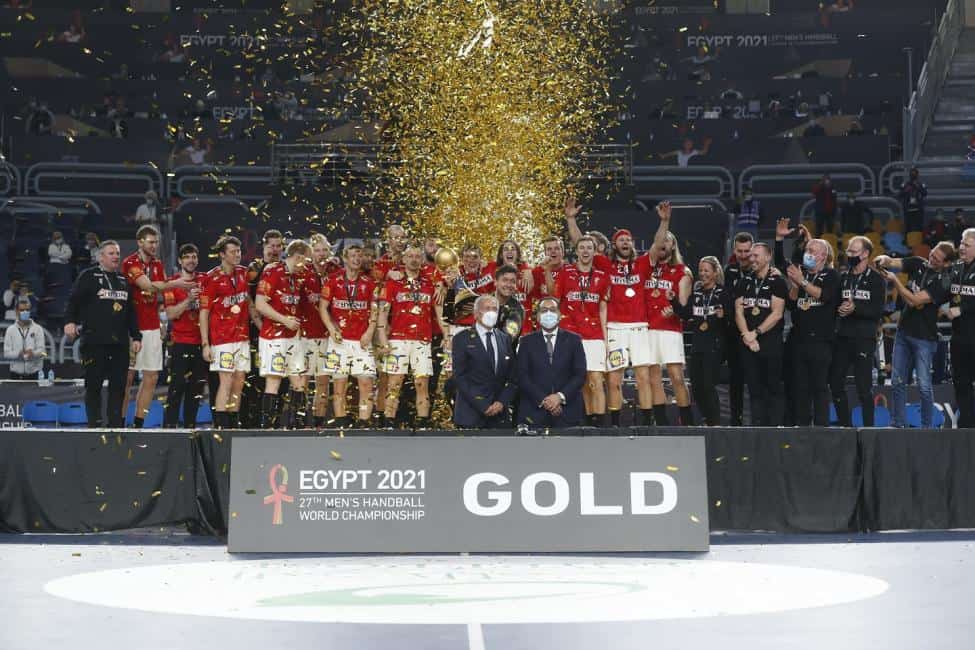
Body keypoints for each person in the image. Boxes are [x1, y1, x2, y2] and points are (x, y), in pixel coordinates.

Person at [565, 195, 652, 426]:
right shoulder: (605, 265)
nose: (625, 243)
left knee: (644, 377)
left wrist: (664, 222)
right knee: (613, 380)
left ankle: (648, 423)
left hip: (639, 328)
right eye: (621, 240)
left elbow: (657, 245)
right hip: (614, 329)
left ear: (632, 243)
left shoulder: (641, 263)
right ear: (614, 245)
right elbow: (582, 244)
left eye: (628, 240)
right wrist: (571, 220)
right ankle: (613, 424)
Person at [121, 225, 197, 428]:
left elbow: (159, 293)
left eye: (156, 242)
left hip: (152, 326)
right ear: (140, 242)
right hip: (131, 327)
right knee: (127, 377)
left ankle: (138, 424)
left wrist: (161, 321)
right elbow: (148, 286)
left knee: (152, 377)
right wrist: (177, 283)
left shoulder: (157, 264)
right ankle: (119, 423)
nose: (154, 246)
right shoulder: (130, 262)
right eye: (150, 242)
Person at [876, 242, 955, 428]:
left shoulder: (944, 282)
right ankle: (898, 423)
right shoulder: (918, 263)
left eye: (937, 259)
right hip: (903, 332)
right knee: (897, 381)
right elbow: (894, 262)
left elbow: (914, 300)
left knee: (924, 386)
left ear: (946, 263)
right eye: (932, 254)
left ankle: (927, 427)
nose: (932, 259)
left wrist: (895, 280)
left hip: (924, 338)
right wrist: (883, 260)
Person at [65, 240, 142, 428]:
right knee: (94, 385)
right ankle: (94, 425)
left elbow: (131, 312)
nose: (116, 256)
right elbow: (73, 301)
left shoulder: (123, 280)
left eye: (117, 253)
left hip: (119, 344)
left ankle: (115, 426)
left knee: (119, 387)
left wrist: (136, 336)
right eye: (111, 253)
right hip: (94, 342)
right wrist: (69, 322)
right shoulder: (88, 276)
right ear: (101, 257)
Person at [376, 244, 448, 428]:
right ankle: (389, 421)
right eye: (410, 256)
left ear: (422, 260)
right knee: (394, 382)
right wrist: (383, 340)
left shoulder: (430, 284)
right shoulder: (392, 283)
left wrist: (447, 335)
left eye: (417, 256)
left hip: (422, 340)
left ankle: (423, 421)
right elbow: (382, 314)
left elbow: (440, 314)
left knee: (422, 382)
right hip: (397, 340)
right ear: (404, 259)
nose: (414, 259)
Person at [645, 202, 694, 426]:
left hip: (670, 329)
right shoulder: (647, 268)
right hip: (648, 329)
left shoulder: (682, 272)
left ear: (673, 246)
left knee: (676, 376)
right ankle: (661, 423)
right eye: (660, 240)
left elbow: (683, 308)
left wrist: (673, 308)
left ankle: (687, 422)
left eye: (668, 241)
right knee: (654, 378)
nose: (663, 244)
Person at [553, 236, 610, 426]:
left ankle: (600, 423)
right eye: (582, 247)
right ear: (576, 251)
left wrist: (606, 340)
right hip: (570, 333)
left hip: (594, 335)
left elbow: (603, 309)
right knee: (582, 381)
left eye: (589, 248)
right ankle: (588, 421)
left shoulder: (602, 276)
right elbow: (556, 302)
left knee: (596, 380)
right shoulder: (565, 272)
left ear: (594, 251)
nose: (585, 251)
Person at [319, 244, 379, 428]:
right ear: (345, 258)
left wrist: (370, 332)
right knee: (339, 385)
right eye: (353, 256)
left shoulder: (369, 282)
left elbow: (375, 310)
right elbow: (322, 307)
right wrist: (331, 329)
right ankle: (340, 421)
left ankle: (364, 421)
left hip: (362, 340)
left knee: (366, 383)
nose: (357, 259)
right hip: (339, 341)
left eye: (359, 256)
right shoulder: (333, 280)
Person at [254, 240, 311, 429]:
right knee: (274, 381)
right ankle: (267, 425)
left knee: (298, 380)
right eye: (306, 261)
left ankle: (298, 423)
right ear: (298, 257)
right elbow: (260, 304)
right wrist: (284, 320)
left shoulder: (297, 277)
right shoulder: (273, 272)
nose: (306, 265)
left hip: (293, 337)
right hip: (274, 337)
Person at [784, 234, 840, 426]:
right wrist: (794, 285)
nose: (807, 254)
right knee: (801, 387)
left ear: (823, 256)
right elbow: (791, 304)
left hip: (821, 340)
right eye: (807, 250)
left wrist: (802, 282)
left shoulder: (831, 275)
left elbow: (824, 296)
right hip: (799, 339)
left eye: (812, 251)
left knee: (819, 386)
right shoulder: (803, 275)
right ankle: (802, 426)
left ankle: (821, 427)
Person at [200, 236, 255, 429]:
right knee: (226, 380)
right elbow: (204, 313)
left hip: (242, 337)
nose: (237, 255)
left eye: (239, 251)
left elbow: (249, 300)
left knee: (239, 380)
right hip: (222, 339)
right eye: (233, 252)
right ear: (222, 255)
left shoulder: (243, 273)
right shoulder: (211, 278)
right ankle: (221, 425)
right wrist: (205, 344)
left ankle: (233, 422)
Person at [829, 236, 885, 427]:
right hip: (843, 337)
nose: (849, 254)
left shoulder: (877, 279)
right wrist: (839, 308)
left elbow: (877, 311)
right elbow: (835, 303)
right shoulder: (844, 277)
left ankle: (868, 429)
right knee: (836, 383)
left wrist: (855, 309)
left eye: (853, 252)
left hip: (864, 338)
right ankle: (845, 426)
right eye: (849, 251)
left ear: (866, 254)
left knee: (864, 388)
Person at [672, 257, 733, 426]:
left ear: (715, 273)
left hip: (714, 345)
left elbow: (731, 318)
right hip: (697, 345)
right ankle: (707, 419)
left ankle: (715, 423)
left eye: (706, 270)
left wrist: (724, 316)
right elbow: (686, 314)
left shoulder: (723, 293)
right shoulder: (697, 293)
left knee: (708, 385)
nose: (703, 274)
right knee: (697, 386)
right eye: (701, 270)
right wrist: (673, 301)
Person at [735, 242, 788, 426]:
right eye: (751, 255)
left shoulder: (777, 282)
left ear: (768, 257)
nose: (752, 259)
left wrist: (756, 333)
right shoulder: (744, 281)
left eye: (756, 255)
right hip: (748, 343)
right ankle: (757, 428)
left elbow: (777, 313)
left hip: (770, 342)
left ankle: (775, 428)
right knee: (754, 388)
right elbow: (738, 312)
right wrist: (747, 335)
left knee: (773, 387)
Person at [516, 297, 586, 428]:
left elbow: (580, 375)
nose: (548, 313)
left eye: (553, 310)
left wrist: (559, 397)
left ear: (559, 315)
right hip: (534, 413)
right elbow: (522, 376)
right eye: (544, 310)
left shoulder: (574, 340)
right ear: (537, 317)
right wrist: (545, 400)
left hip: (568, 412)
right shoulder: (526, 342)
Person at [452, 294, 518, 428]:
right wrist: (482, 404)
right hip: (470, 414)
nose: (491, 312)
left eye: (494, 309)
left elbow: (513, 377)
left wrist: (501, 402)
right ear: (476, 313)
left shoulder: (504, 339)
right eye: (487, 308)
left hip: (499, 416)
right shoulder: (461, 339)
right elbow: (460, 376)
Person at [240, 229, 284, 427]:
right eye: (271, 246)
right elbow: (249, 300)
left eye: (278, 246)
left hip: (282, 333)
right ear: (264, 247)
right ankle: (250, 422)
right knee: (255, 376)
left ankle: (275, 421)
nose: (274, 250)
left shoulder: (285, 268)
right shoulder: (254, 269)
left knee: (279, 376)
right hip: (257, 332)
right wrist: (261, 326)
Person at [162, 244, 206, 428]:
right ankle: (169, 430)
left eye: (194, 257)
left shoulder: (205, 280)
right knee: (176, 389)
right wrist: (189, 300)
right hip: (180, 343)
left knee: (196, 391)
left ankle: (190, 429)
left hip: (201, 343)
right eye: (187, 257)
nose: (191, 260)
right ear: (180, 261)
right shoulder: (172, 283)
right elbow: (171, 314)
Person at [300, 234, 335, 428]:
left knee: (323, 381)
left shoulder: (336, 272)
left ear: (329, 251)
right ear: (311, 253)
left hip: (327, 336)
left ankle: (319, 422)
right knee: (303, 381)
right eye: (317, 250)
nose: (321, 254)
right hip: (305, 336)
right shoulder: (302, 272)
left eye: (324, 250)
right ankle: (302, 422)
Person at [724, 232, 754, 426]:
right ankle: (736, 420)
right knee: (735, 379)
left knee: (755, 378)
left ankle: (760, 420)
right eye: (739, 251)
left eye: (747, 251)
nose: (743, 255)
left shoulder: (761, 270)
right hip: (734, 334)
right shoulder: (730, 271)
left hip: (756, 332)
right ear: (734, 250)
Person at [946, 228, 975, 427]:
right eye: (961, 243)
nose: (962, 247)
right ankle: (966, 427)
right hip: (959, 338)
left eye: (967, 244)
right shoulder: (956, 267)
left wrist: (963, 309)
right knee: (961, 383)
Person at [3, 298, 46, 380]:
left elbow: (44, 353)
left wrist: (33, 354)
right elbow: (6, 354)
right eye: (22, 310)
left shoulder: (38, 329)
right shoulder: (10, 330)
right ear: (16, 311)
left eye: (27, 310)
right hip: (15, 375)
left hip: (34, 375)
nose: (25, 312)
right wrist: (18, 354)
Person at [492, 263, 526, 341]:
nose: (508, 285)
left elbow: (507, 338)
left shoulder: (517, 309)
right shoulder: (483, 302)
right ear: (495, 282)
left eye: (512, 281)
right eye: (505, 280)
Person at [898, 167, 928, 234]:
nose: (913, 176)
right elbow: (899, 195)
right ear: (909, 175)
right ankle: (907, 238)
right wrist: (906, 190)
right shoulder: (905, 184)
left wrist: (918, 187)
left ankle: (919, 238)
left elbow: (925, 193)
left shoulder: (921, 184)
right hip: (908, 208)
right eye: (912, 174)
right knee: (908, 227)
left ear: (917, 175)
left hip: (918, 209)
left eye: (915, 174)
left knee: (919, 227)